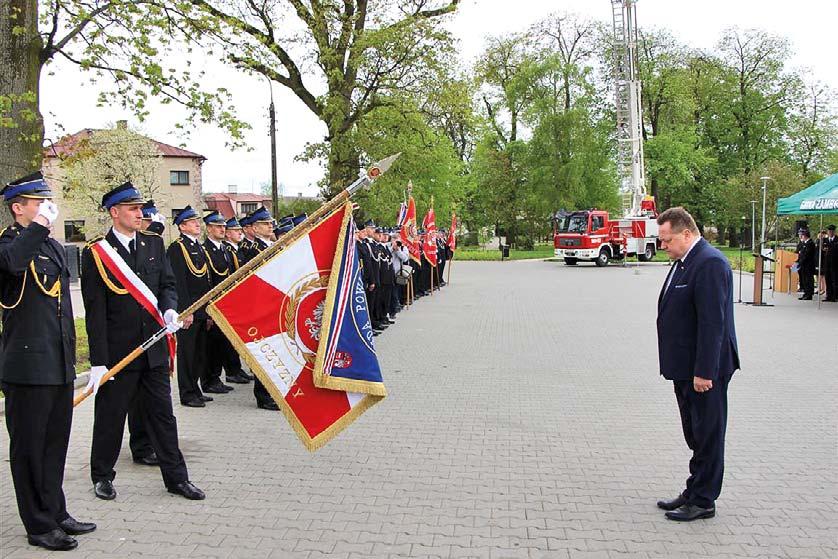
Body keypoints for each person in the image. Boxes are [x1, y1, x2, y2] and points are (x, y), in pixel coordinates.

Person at [81, 182, 205, 502]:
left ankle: (176, 478)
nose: (140, 214)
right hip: (118, 353)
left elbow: (167, 284)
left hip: (153, 349)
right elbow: (94, 313)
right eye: (133, 209)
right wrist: (97, 362)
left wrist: (169, 309)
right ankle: (102, 476)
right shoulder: (96, 254)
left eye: (140, 209)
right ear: (115, 212)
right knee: (111, 417)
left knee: (163, 415)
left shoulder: (152, 244)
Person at [0, 172, 96, 551]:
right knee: (29, 449)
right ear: (17, 208)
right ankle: (38, 525)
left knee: (55, 444)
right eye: (38, 204)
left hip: (58, 363)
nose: (47, 209)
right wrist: (37, 227)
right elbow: (12, 264)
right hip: (26, 366)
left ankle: (56, 511)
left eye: (47, 203)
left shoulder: (53, 248)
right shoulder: (10, 246)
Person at [655, 206, 739, 522]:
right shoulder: (684, 261)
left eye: (667, 240)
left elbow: (712, 323)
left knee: (708, 433)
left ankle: (704, 499)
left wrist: (704, 371)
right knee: (695, 432)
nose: (663, 246)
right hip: (685, 368)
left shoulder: (710, 264)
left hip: (705, 371)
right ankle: (694, 488)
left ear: (687, 234)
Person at [166, 205, 213, 407]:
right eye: (193, 222)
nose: (197, 225)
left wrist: (208, 310)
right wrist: (187, 311)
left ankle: (196, 389)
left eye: (197, 221)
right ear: (182, 226)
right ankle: (187, 393)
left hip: (202, 310)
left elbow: (206, 280)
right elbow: (179, 282)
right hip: (189, 311)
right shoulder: (177, 248)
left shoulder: (198, 246)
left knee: (199, 353)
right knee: (187, 354)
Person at [243, 206, 281, 410]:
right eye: (265, 224)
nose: (270, 226)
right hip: (260, 306)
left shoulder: (272, 246)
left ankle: (272, 390)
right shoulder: (252, 250)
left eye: (270, 223)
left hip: (274, 304)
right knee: (264, 351)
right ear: (255, 229)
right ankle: (263, 395)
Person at [201, 211, 243, 391]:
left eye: (223, 226)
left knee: (221, 343)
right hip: (213, 304)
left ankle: (217, 378)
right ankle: (209, 380)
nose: (222, 229)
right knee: (211, 346)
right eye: (218, 226)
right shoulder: (205, 250)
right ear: (209, 229)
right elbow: (207, 280)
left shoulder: (225, 249)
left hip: (225, 304)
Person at [796, 229, 816, 301]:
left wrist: (801, 261)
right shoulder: (804, 243)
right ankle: (805, 293)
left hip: (808, 265)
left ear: (805, 236)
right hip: (803, 265)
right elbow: (800, 253)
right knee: (804, 280)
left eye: (802, 235)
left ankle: (809, 294)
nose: (801, 237)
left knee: (808, 280)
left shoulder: (810, 243)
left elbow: (806, 255)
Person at [825, 225, 837, 302]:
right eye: (829, 231)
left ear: (834, 232)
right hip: (827, 263)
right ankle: (828, 295)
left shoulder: (837, 239)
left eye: (832, 231)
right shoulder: (825, 240)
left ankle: (835, 296)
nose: (830, 232)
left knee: (834, 280)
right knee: (828, 280)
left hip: (835, 263)